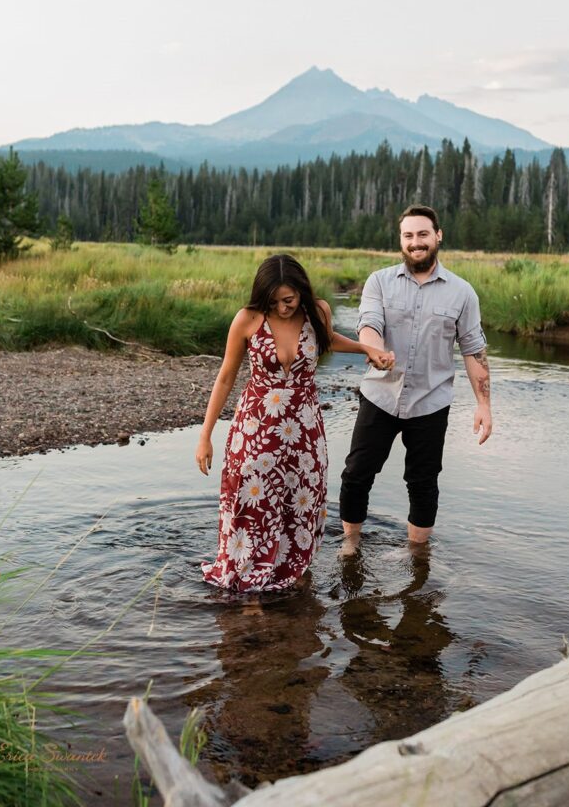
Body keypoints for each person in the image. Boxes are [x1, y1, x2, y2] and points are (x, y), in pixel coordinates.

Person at [196, 254, 395, 592]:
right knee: (252, 503)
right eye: (274, 302)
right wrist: (205, 436)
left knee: (300, 502)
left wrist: (365, 348)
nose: (282, 307)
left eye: (288, 300)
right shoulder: (247, 319)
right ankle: (249, 588)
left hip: (304, 430)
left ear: (301, 291)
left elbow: (326, 339)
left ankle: (293, 576)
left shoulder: (316, 311)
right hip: (255, 428)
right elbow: (226, 377)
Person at [339, 204, 492, 553]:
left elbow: (474, 350)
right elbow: (369, 325)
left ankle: (417, 558)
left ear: (438, 236)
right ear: (401, 240)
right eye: (408, 235)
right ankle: (350, 545)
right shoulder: (379, 281)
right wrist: (376, 351)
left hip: (430, 403)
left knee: (423, 484)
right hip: (380, 395)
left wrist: (484, 404)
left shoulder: (462, 292)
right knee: (356, 475)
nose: (415, 242)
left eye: (423, 234)